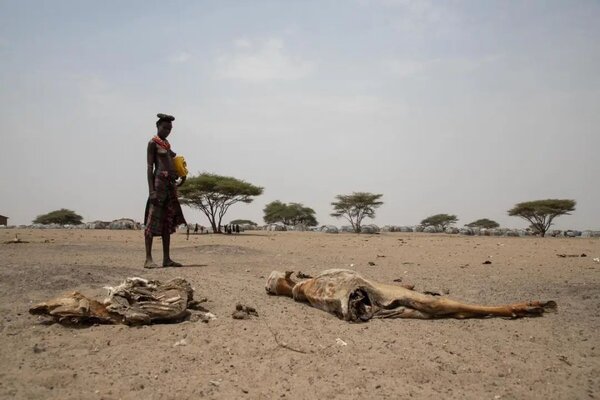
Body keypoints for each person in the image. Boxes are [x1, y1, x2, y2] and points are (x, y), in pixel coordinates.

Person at [144, 113, 187, 268]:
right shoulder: (152, 143)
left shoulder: (166, 145)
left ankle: (166, 259)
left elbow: (176, 160)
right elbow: (149, 168)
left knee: (167, 222)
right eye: (165, 127)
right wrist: (152, 191)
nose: (168, 131)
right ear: (158, 126)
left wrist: (182, 175)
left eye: (170, 129)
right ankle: (148, 259)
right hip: (158, 185)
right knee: (152, 220)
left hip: (169, 186)